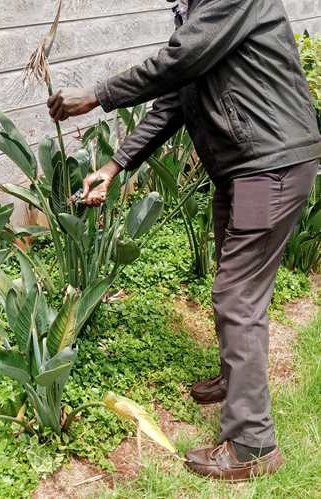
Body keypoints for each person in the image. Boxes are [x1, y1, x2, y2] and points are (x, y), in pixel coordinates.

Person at [47, 0, 321, 481]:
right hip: (242, 170)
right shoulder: (197, 10)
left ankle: (253, 444)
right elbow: (175, 97)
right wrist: (114, 167)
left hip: (268, 168)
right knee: (232, 284)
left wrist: (96, 95)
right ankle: (238, 383)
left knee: (237, 295)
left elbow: (177, 61)